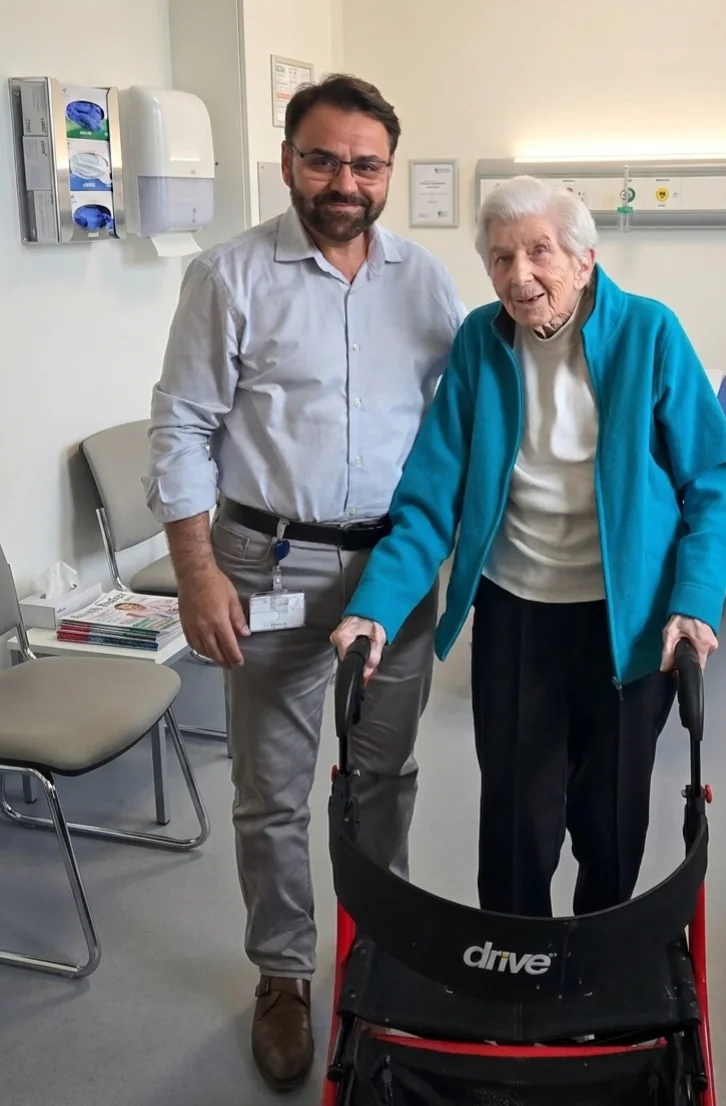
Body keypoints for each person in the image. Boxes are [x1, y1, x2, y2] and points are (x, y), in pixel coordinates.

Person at [144, 74, 464, 1093]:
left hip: (395, 566)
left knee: (384, 775)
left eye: (365, 163)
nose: (343, 181)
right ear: (288, 160)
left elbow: (461, 422)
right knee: (271, 791)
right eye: (323, 158)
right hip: (264, 560)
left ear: (387, 172)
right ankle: (283, 972)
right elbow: (183, 425)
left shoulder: (425, 280)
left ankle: (380, 949)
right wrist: (195, 569)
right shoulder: (228, 275)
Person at [332, 175, 726, 923]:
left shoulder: (648, 334)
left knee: (611, 814)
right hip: (518, 611)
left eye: (539, 252)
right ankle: (518, 980)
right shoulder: (479, 344)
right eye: (499, 258)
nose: (519, 276)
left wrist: (694, 603)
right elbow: (431, 498)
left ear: (584, 260)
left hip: (628, 623)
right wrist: (376, 608)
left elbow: (715, 483)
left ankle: (590, 971)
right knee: (517, 823)